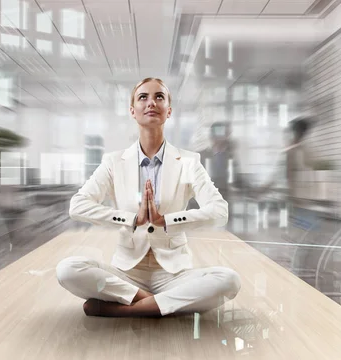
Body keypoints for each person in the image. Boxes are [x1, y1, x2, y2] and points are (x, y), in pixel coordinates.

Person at [56, 78, 241, 317]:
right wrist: (132, 219)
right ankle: (158, 305)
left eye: (159, 97)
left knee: (229, 280)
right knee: (68, 269)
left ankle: (124, 311)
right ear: (133, 111)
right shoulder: (113, 162)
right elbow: (78, 206)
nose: (151, 102)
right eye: (143, 97)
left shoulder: (188, 161)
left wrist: (167, 221)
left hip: (175, 275)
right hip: (126, 274)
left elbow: (219, 211)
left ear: (168, 111)